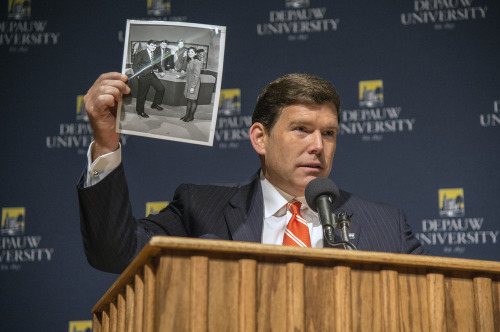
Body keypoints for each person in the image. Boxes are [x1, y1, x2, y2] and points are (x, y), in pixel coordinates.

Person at [79, 72, 429, 273]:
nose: (318, 146)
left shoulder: (386, 226)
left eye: (328, 133)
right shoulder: (200, 209)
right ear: (260, 138)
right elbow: (114, 252)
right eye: (301, 129)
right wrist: (106, 144)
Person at [131, 40, 165, 118]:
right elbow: (135, 65)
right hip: (143, 76)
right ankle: (140, 111)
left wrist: (161, 71)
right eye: (152, 45)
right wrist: (138, 75)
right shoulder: (141, 53)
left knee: (161, 88)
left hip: (151, 75)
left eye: (155, 46)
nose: (154, 47)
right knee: (142, 95)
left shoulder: (155, 53)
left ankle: (155, 104)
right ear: (148, 45)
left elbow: (158, 63)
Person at [180, 47, 203, 122]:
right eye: (189, 52)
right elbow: (188, 72)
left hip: (194, 84)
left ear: (195, 53)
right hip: (189, 83)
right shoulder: (190, 61)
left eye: (192, 52)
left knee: (193, 100)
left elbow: (197, 76)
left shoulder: (197, 62)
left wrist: (193, 87)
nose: (190, 53)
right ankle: (186, 115)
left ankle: (191, 116)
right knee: (188, 100)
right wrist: (180, 76)